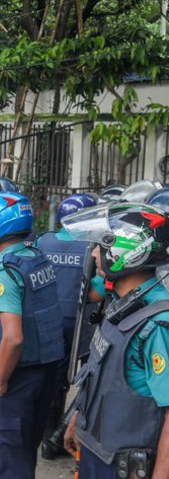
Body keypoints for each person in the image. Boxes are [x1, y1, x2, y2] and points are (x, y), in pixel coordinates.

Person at [62, 203, 169, 478]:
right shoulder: (121, 304)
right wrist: (79, 421)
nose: (95, 254)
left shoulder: (158, 324)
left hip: (126, 466)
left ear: (128, 252)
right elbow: (101, 374)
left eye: (100, 246)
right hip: (98, 452)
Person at [0, 191, 64, 479]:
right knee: (26, 453)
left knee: (13, 462)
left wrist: (1, 381)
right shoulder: (37, 257)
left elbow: (13, 338)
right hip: (45, 372)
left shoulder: (5, 269)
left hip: (16, 377)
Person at [34, 193, 99, 460]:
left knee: (49, 374)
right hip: (80, 323)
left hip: (47, 320)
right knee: (79, 377)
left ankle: (46, 431)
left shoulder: (43, 240)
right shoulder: (92, 247)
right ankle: (56, 435)